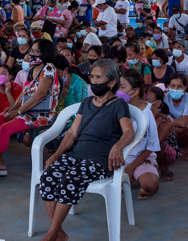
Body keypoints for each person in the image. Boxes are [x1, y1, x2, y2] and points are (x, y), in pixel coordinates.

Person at [36, 59, 135, 241]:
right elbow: (72, 133)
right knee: (48, 176)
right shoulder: (87, 102)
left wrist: (118, 145)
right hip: (76, 155)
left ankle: (51, 234)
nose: (94, 81)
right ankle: (58, 233)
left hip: (98, 159)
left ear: (112, 82)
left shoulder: (118, 105)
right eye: (92, 76)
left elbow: (129, 131)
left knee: (70, 179)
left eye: (98, 77)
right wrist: (57, 155)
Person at [0, 39, 62, 180]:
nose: (32, 54)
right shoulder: (32, 70)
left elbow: (40, 95)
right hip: (26, 111)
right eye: (32, 51)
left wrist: (18, 112)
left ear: (45, 53)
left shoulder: (48, 68)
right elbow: (24, 94)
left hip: (41, 114)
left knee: (5, 128)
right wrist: (12, 108)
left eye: (36, 51)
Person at [118, 71, 163, 199]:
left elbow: (151, 146)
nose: (119, 91)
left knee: (151, 185)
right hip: (120, 158)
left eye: (123, 87)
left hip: (140, 158)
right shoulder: (118, 107)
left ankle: (137, 173)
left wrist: (131, 167)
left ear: (135, 91)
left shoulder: (147, 113)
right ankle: (128, 177)